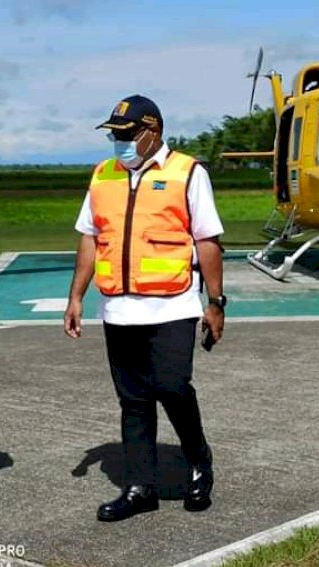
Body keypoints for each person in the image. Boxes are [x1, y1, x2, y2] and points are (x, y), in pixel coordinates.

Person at [63, 95, 225, 521]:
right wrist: (76, 295)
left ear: (153, 133)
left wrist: (216, 302)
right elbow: (89, 237)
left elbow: (208, 240)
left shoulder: (187, 173)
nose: (120, 142)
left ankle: (198, 462)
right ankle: (140, 488)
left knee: (172, 387)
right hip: (118, 309)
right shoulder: (103, 175)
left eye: (128, 134)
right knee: (133, 400)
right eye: (115, 134)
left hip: (173, 305)